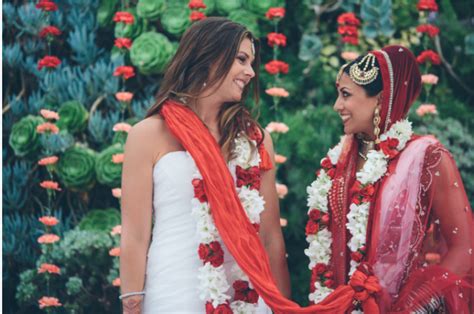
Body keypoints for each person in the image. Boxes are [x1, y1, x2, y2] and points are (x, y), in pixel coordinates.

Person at [119, 17, 291, 313]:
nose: (250, 72)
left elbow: (271, 235)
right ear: (209, 57)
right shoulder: (147, 135)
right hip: (173, 293)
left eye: (251, 62)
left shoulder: (254, 139)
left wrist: (284, 308)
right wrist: (132, 305)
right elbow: (134, 235)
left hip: (247, 297)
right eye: (241, 59)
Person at [304, 45, 472, 313]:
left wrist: (418, 304)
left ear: (380, 100)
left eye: (346, 95)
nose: (337, 106)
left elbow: (465, 247)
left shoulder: (426, 157)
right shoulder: (339, 162)